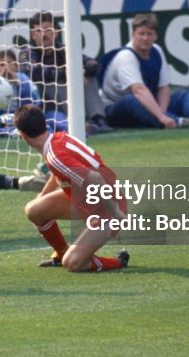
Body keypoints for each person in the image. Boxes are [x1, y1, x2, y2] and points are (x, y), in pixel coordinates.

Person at [13, 104, 130, 272]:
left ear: (22, 135)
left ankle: (118, 262)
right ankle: (61, 254)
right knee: (34, 209)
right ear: (44, 124)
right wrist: (43, 195)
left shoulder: (55, 156)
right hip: (89, 199)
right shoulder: (56, 141)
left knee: (74, 263)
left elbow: (95, 179)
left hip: (109, 205)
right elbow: (60, 172)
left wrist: (115, 213)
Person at [100, 13, 189, 129]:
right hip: (116, 109)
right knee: (132, 100)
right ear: (133, 34)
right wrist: (161, 116)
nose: (145, 38)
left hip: (149, 101)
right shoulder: (126, 56)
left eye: (149, 34)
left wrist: (163, 112)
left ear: (155, 36)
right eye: (141, 34)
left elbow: (163, 88)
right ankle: (179, 122)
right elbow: (139, 90)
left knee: (183, 95)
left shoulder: (157, 51)